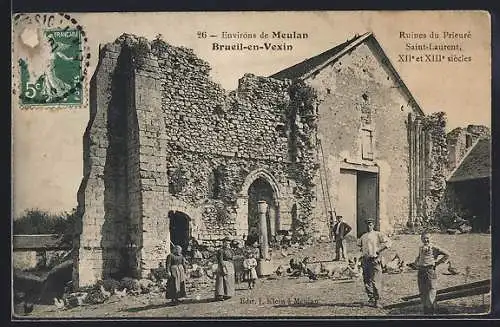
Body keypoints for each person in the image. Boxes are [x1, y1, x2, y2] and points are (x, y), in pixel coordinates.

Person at [412, 232, 450, 315]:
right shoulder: (421, 247)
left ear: (431, 238)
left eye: (427, 238)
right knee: (422, 291)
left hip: (430, 271)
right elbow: (419, 256)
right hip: (421, 271)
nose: (426, 240)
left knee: (431, 290)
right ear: (421, 239)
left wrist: (437, 263)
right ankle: (426, 310)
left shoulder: (434, 247)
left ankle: (430, 310)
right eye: (424, 238)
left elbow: (447, 254)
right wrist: (415, 262)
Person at [357, 218, 391, 308]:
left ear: (373, 225)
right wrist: (363, 254)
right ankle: (371, 298)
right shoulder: (363, 236)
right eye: (367, 224)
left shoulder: (377, 234)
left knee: (376, 281)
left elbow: (389, 242)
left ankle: (377, 300)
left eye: (370, 224)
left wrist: (379, 250)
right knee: (366, 281)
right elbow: (360, 245)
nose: (369, 226)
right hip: (365, 261)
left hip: (375, 260)